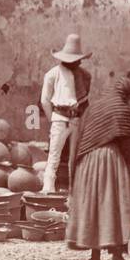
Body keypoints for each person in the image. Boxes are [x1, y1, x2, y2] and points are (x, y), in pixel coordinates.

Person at [66, 73, 130, 260]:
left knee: (93, 205)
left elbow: (81, 135)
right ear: (126, 94)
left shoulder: (94, 107)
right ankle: (116, 255)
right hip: (108, 159)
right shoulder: (120, 107)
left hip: (87, 161)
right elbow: (125, 141)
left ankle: (95, 255)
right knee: (110, 204)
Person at [40, 34, 92, 194]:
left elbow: (84, 100)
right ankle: (48, 187)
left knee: (75, 155)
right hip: (59, 116)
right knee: (54, 154)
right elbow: (45, 100)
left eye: (77, 59)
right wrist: (53, 119)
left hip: (76, 118)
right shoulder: (52, 74)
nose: (77, 62)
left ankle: (75, 189)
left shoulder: (84, 76)